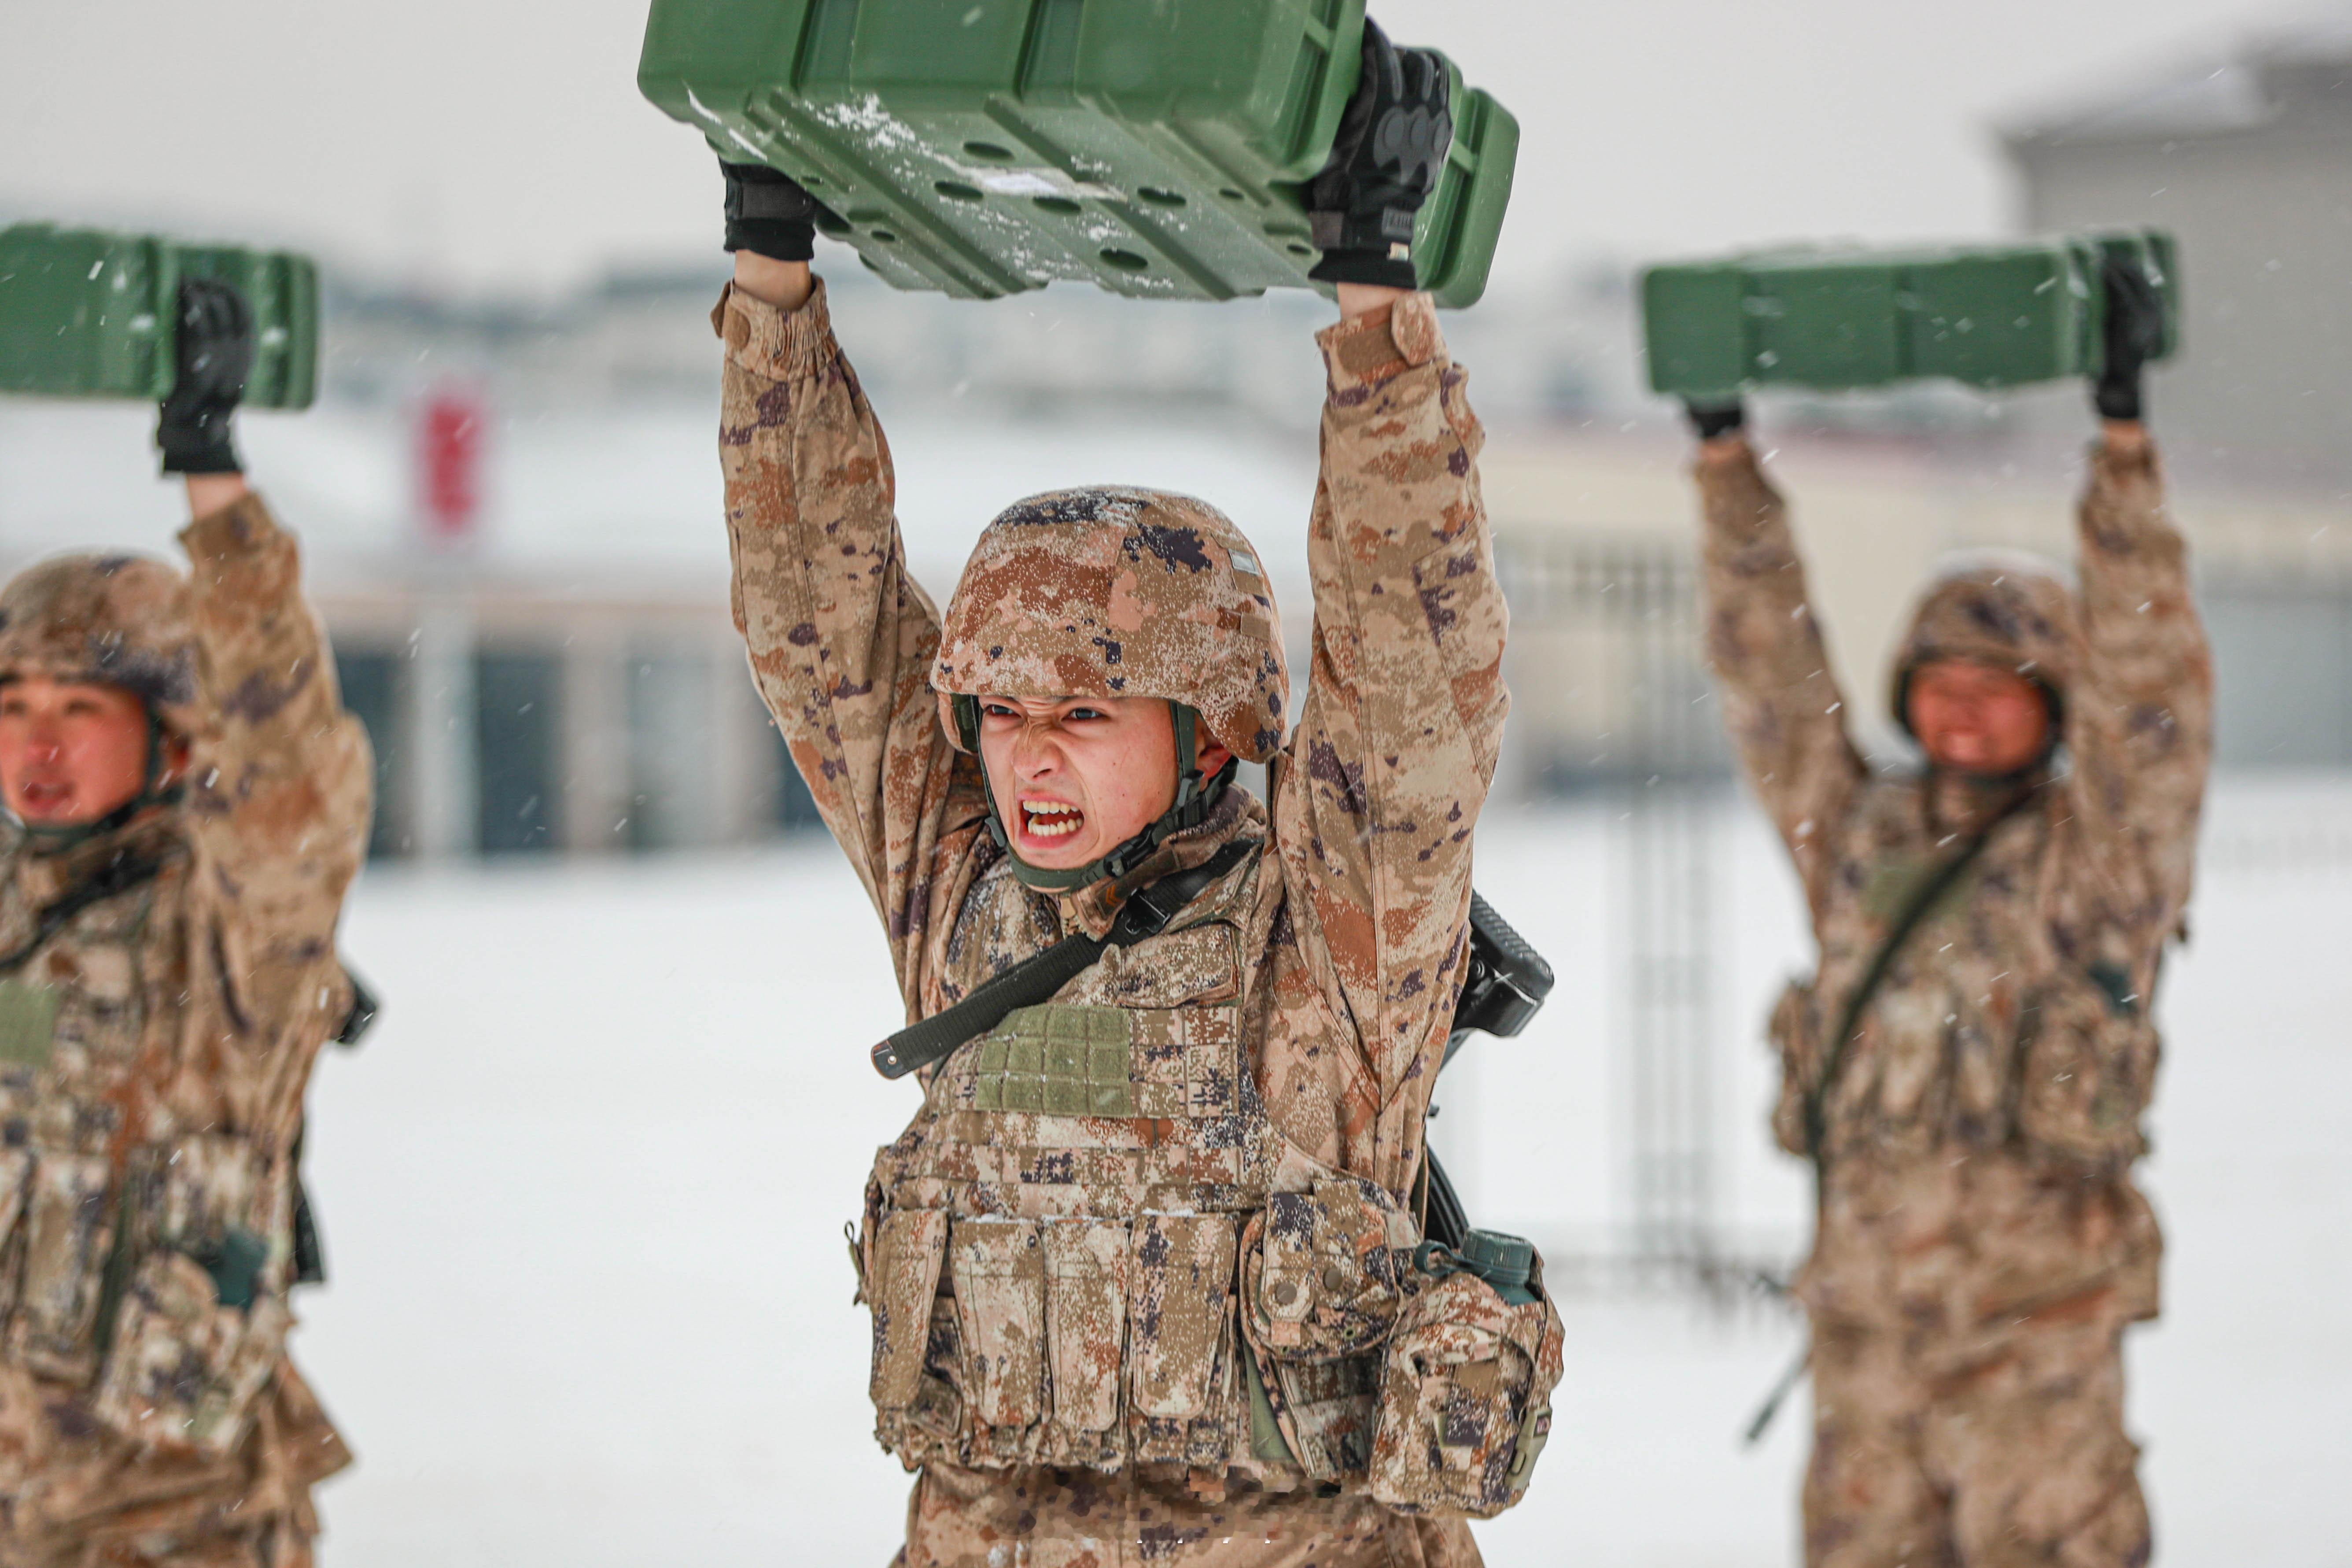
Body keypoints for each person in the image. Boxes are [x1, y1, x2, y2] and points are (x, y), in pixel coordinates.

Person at [712, 24, 1558, 1568]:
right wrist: (772, 281)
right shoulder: (962, 897)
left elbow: (1411, 677)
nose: (1029, 755)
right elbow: (816, 625)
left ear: (1216, 731)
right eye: (1002, 713)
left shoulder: (1330, 943)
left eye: (1088, 713)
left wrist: (1377, 307)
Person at [1687, 262, 2211, 1567]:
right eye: (1940, 682)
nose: (1964, 712)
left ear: (2059, 714)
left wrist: (2125, 449)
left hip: (2033, 1356)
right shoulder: (1856, 841)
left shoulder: (2102, 870)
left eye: (2004, 686)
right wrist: (1723, 462)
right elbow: (1770, 669)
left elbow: (2154, 683)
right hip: (1868, 1357)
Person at [0, 279, 371, 1565]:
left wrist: (212, 483)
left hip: (171, 1531)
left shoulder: (227, 943)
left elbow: (295, 778)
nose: (36, 748)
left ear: (171, 741)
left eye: (79, 709)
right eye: (14, 707)